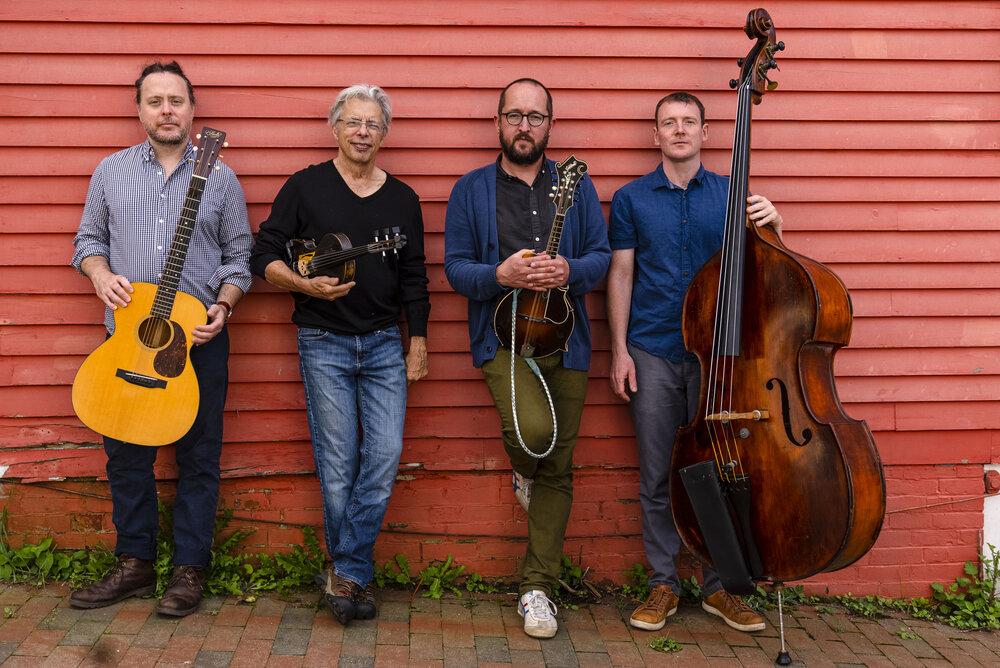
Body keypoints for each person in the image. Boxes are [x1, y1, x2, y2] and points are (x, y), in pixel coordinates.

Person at [69, 61, 252, 616]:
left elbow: (239, 256)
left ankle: (189, 569)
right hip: (127, 343)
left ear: (192, 109)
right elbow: (87, 241)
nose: (166, 110)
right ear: (140, 110)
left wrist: (224, 305)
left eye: (176, 100)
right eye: (155, 101)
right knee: (126, 459)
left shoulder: (220, 178)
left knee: (198, 458)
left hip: (195, 343)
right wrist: (100, 275)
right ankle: (135, 563)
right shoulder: (111, 171)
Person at [250, 84, 430, 626]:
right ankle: (352, 577)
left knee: (384, 455)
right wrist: (302, 285)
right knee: (337, 465)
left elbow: (415, 277)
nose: (362, 133)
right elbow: (264, 252)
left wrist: (418, 341)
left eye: (373, 124)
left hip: (383, 342)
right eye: (353, 122)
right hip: (322, 341)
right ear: (335, 128)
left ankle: (344, 569)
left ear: (385, 133)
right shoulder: (304, 187)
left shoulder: (403, 200)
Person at [607, 91, 782, 633]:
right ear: (656, 135)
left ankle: (719, 586)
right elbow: (621, 275)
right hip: (652, 350)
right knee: (658, 472)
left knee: (719, 470)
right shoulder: (631, 199)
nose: (679, 130)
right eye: (669, 122)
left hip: (719, 358)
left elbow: (770, 268)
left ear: (705, 133)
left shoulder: (734, 195)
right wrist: (619, 351)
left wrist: (775, 224)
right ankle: (663, 583)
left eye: (689, 122)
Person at [444, 78, 610, 639]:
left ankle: (538, 587)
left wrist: (570, 271)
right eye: (514, 115)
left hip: (568, 339)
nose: (524, 126)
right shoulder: (470, 190)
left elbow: (601, 256)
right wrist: (500, 273)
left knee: (559, 466)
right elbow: (455, 269)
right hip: (504, 340)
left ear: (549, 126)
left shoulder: (576, 183)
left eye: (535, 117)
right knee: (534, 436)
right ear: (497, 122)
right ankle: (523, 467)